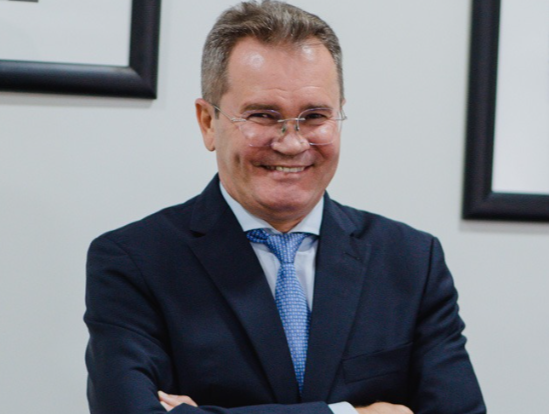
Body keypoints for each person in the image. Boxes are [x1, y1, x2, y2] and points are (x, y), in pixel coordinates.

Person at [84, 1, 486, 414]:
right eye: (263, 115)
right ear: (208, 123)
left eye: (314, 116)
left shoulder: (411, 260)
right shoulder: (135, 261)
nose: (292, 143)